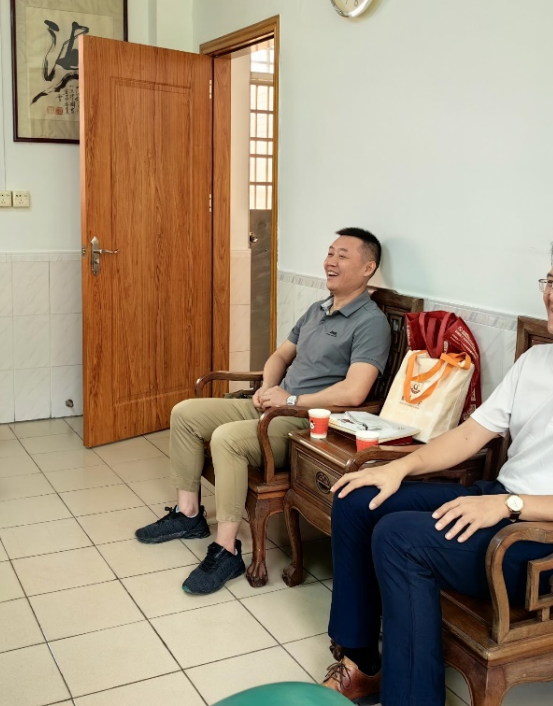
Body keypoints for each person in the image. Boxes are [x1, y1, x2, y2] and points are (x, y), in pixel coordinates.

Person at [321, 229, 553, 706]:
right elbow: (471, 435)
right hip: (502, 502)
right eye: (551, 281)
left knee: (400, 537)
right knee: (358, 497)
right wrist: (399, 468)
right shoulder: (537, 360)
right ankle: (364, 664)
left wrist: (510, 505)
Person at [136, 227, 392, 594]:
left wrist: (291, 402)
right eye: (330, 253)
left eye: (342, 255)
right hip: (277, 406)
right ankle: (189, 514)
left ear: (368, 268)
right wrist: (268, 388)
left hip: (306, 423)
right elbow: (280, 356)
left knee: (226, 439)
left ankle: (226, 550)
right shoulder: (318, 309)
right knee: (185, 413)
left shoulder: (370, 322)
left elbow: (354, 392)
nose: (330, 262)